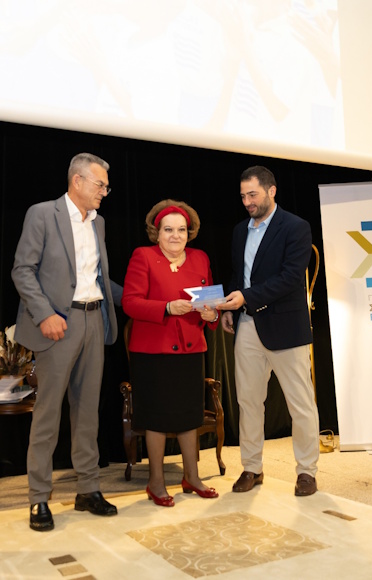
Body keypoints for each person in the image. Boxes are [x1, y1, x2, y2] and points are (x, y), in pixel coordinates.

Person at [12, 152, 122, 532]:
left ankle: (87, 489)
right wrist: (45, 314)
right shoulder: (43, 214)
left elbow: (98, 278)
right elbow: (22, 270)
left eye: (106, 186)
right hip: (58, 324)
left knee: (88, 412)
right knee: (48, 415)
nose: (104, 192)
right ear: (77, 181)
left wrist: (142, 297)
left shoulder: (98, 222)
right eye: (100, 185)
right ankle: (38, 498)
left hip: (94, 320)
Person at [218, 165, 320, 496]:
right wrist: (230, 308)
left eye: (253, 194)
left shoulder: (296, 226)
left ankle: (306, 472)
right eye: (243, 196)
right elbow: (239, 274)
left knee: (300, 404)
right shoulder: (239, 230)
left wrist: (246, 296)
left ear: (271, 191)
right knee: (248, 401)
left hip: (286, 327)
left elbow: (291, 277)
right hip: (247, 325)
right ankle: (252, 467)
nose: (247, 201)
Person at [121, 199, 220, 507]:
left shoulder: (200, 257)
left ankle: (192, 477)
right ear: (157, 232)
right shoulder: (143, 256)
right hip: (153, 353)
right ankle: (156, 482)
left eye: (181, 230)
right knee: (157, 418)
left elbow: (210, 303)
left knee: (190, 416)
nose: (175, 235)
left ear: (189, 232)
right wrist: (166, 307)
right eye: (168, 230)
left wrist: (212, 315)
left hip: (191, 349)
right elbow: (130, 302)